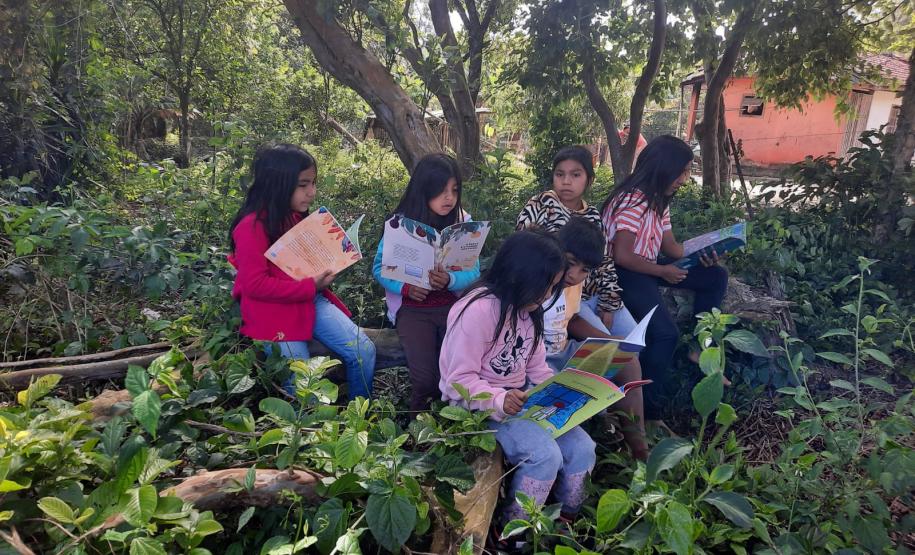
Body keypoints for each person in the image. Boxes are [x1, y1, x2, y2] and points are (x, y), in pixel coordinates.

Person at [439, 229, 596, 540]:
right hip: (479, 408)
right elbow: (457, 380)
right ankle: (515, 532)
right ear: (520, 276)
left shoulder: (529, 310)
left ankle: (567, 519)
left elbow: (537, 367)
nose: (546, 297)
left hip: (521, 400)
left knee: (583, 447)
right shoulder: (478, 310)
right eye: (546, 287)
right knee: (544, 455)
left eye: (552, 287)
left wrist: (563, 393)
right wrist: (499, 399)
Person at [228, 143, 376, 400]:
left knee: (363, 350)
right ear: (277, 184)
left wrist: (328, 267)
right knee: (303, 381)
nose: (312, 192)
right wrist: (311, 286)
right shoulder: (252, 226)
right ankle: (309, 434)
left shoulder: (294, 217)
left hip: (308, 299)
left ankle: (358, 414)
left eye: (313, 183)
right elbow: (253, 285)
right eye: (303, 185)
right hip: (270, 313)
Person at [600, 135, 728, 425]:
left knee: (715, 276)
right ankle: (642, 412)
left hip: (646, 264)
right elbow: (621, 255)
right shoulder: (633, 199)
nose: (684, 179)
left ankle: (700, 346)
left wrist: (707, 251)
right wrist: (662, 272)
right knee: (664, 334)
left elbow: (672, 249)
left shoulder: (659, 200)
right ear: (664, 167)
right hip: (624, 272)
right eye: (682, 171)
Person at [373, 153, 480, 412]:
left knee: (456, 372)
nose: (449, 198)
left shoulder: (462, 223)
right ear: (423, 190)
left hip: (451, 308)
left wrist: (451, 279)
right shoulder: (399, 224)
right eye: (441, 191)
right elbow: (379, 268)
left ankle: (452, 427)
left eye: (454, 190)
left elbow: (474, 269)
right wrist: (406, 288)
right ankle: (417, 427)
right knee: (425, 378)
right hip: (413, 311)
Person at [543, 217, 648, 460]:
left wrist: (608, 340)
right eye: (571, 264)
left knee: (627, 360)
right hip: (537, 360)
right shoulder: (540, 279)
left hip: (563, 350)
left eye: (585, 271)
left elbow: (572, 319)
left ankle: (640, 449)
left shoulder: (572, 285)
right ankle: (593, 430)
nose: (575, 275)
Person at [516, 145, 635, 337]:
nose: (566, 181)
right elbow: (524, 251)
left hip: (592, 293)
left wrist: (609, 302)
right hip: (559, 296)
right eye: (560, 174)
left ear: (589, 179)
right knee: (607, 345)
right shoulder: (541, 204)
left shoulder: (593, 215)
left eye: (575, 175)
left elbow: (604, 262)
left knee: (632, 338)